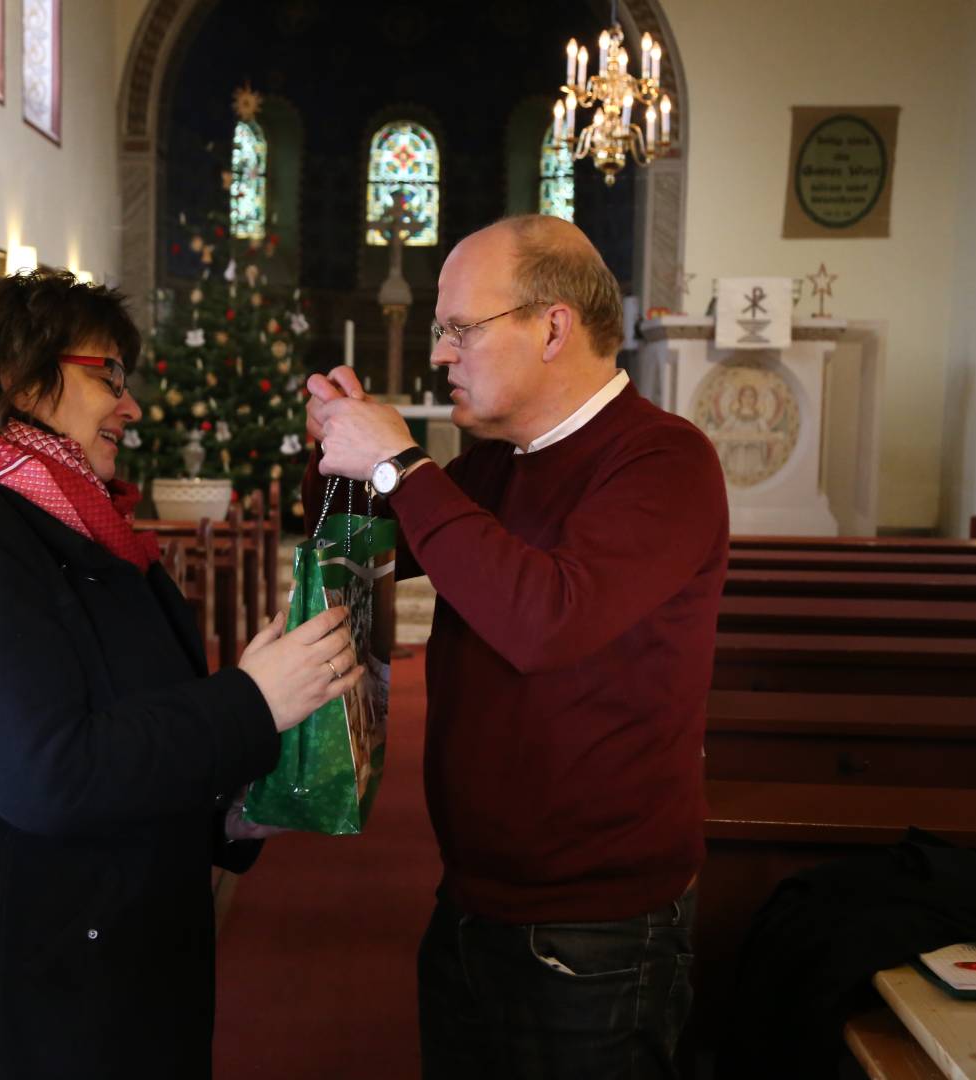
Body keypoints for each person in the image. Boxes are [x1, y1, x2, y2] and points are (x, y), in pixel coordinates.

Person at [0, 269, 360, 1080]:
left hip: (84, 980)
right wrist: (250, 699)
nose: (130, 404)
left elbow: (127, 728)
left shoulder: (88, 532)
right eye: (107, 373)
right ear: (15, 379)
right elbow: (47, 770)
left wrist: (232, 813)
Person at [305, 215, 729, 1079]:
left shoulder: (663, 461)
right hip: (472, 898)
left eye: (461, 328)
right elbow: (383, 544)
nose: (440, 355)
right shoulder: (503, 461)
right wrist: (349, 453)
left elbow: (546, 621)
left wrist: (401, 466)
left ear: (552, 326)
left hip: (594, 926)